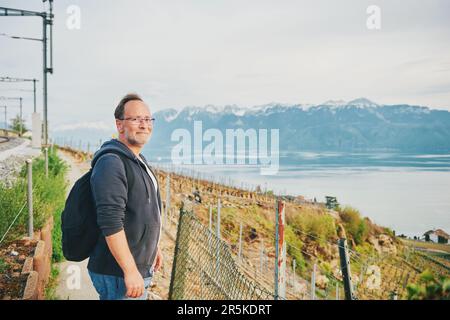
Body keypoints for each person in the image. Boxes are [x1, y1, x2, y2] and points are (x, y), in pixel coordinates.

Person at [87, 93, 163, 300]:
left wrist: (152, 247)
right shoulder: (112, 162)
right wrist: (130, 270)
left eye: (148, 119)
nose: (144, 124)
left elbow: (143, 211)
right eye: (136, 119)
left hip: (134, 266)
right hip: (117, 272)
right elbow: (111, 221)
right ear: (120, 125)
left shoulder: (139, 160)